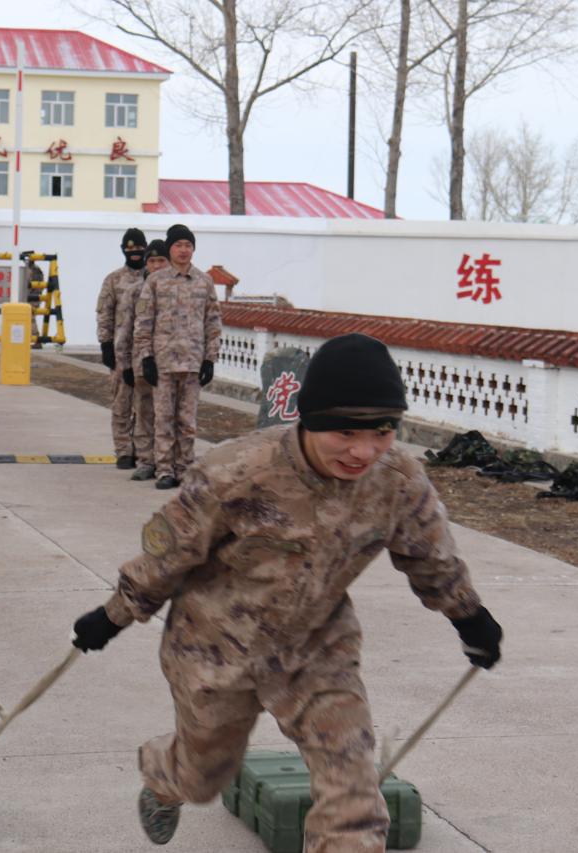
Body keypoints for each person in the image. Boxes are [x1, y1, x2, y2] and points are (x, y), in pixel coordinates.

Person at [70, 333, 504, 851]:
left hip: (316, 650)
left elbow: (430, 556)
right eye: (345, 433)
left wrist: (468, 616)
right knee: (202, 775)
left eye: (383, 431)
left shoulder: (397, 480)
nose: (364, 451)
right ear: (310, 419)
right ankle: (166, 776)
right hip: (215, 649)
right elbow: (169, 553)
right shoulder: (235, 473)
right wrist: (113, 615)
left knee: (354, 796)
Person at [133, 224, 222, 490]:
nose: (184, 250)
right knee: (163, 418)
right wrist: (146, 357)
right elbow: (144, 321)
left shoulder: (204, 282)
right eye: (178, 245)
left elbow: (213, 321)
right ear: (169, 248)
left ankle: (184, 468)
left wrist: (210, 359)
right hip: (163, 362)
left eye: (188, 245)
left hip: (193, 362)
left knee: (187, 420)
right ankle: (164, 470)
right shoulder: (156, 281)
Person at [115, 239, 168, 481]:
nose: (156, 265)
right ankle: (146, 461)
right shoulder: (135, 291)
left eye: (161, 260)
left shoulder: (177, 288)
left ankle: (167, 462)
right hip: (140, 363)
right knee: (144, 413)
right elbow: (125, 331)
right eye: (152, 260)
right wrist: (124, 363)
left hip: (170, 363)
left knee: (167, 416)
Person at [96, 228, 148, 470]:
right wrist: (105, 344)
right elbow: (104, 314)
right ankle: (123, 450)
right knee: (121, 404)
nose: (134, 252)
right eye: (129, 249)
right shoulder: (114, 279)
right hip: (120, 353)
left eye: (138, 248)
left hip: (148, 354)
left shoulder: (155, 278)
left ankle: (142, 449)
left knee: (145, 405)